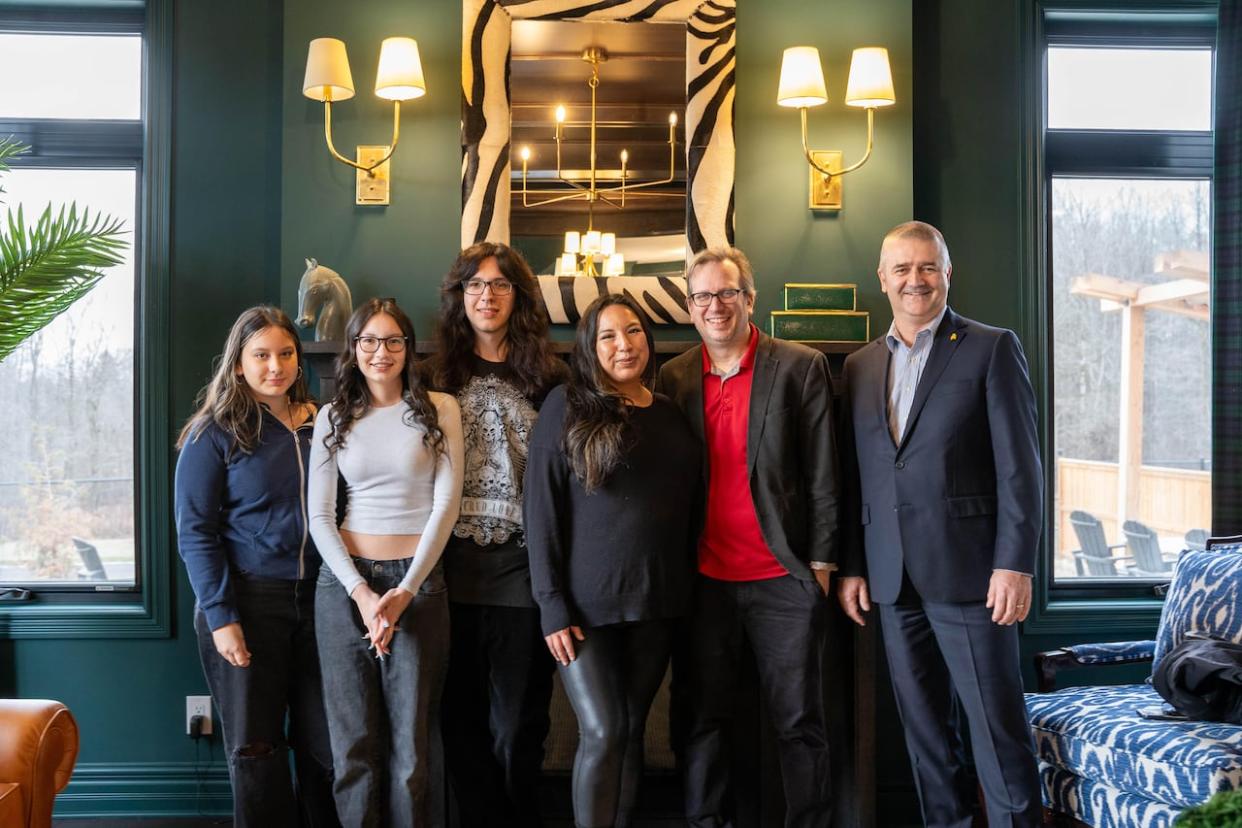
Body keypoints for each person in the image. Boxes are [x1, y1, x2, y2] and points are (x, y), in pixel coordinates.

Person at [837, 221, 1042, 827]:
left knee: (998, 736)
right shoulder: (859, 366)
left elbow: (1020, 469)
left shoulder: (989, 347)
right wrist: (853, 564)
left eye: (927, 267)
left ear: (947, 274)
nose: (914, 280)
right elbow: (857, 478)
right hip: (892, 582)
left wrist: (1015, 563)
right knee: (926, 741)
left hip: (976, 579)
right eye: (901, 269)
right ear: (882, 279)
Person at [657, 246, 838, 828]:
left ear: (749, 299)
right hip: (705, 581)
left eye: (727, 293)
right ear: (689, 306)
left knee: (797, 721)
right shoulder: (675, 375)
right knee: (704, 718)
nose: (716, 306)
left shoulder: (799, 366)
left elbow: (824, 473)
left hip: (783, 578)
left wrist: (821, 565)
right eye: (703, 296)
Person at [524, 293, 702, 828]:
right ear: (589, 346)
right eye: (608, 336)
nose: (624, 345)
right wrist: (551, 606)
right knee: (602, 731)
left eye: (633, 332)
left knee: (629, 731)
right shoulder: (566, 404)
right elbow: (540, 511)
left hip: (657, 604)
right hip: (584, 611)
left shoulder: (670, 413)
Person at [174, 305, 338, 827]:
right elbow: (195, 531)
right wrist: (223, 617)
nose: (276, 366)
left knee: (327, 743)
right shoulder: (214, 433)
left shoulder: (324, 425)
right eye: (261, 355)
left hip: (320, 600)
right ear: (239, 364)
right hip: (248, 603)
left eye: (285, 353)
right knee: (257, 749)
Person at [422, 242, 567, 827]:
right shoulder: (432, 374)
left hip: (523, 576)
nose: (486, 295)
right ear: (459, 297)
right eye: (475, 285)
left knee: (519, 725)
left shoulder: (552, 377)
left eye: (500, 284)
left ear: (518, 296)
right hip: (447, 574)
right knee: (459, 722)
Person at [307, 298, 464, 827]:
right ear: (353, 349)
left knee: (412, 746)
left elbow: (447, 505)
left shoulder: (441, 409)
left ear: (408, 348)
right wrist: (362, 593)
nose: (381, 352)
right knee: (352, 744)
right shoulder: (332, 415)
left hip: (418, 586)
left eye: (393, 340)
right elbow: (320, 516)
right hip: (344, 586)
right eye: (369, 341)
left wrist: (405, 590)